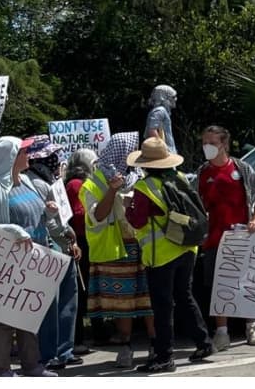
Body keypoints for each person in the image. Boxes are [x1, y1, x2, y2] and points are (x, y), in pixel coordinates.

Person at [126, 137, 214, 373]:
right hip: (187, 246)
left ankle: (164, 356)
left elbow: (138, 220)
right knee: (185, 296)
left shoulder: (144, 188)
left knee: (163, 305)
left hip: (161, 253)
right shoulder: (180, 177)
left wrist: (127, 209)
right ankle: (204, 342)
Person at [0, 136, 57, 377]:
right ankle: (1, 369)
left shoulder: (27, 182)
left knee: (28, 314)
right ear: (9, 158)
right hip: (6, 263)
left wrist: (49, 213)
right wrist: (13, 230)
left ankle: (31, 365)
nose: (27, 155)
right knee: (2, 319)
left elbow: (35, 217)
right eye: (22, 152)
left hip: (33, 260)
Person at [80, 132, 155, 369]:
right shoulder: (93, 183)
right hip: (116, 250)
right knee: (122, 303)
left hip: (143, 246)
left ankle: (155, 345)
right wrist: (112, 191)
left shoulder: (139, 175)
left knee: (149, 299)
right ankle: (125, 347)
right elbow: (97, 216)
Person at [196, 125, 255, 347]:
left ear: (224, 144)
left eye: (212, 143)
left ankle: (251, 326)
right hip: (213, 237)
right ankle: (222, 332)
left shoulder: (241, 168)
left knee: (245, 282)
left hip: (240, 235)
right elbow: (194, 202)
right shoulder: (202, 173)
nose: (207, 147)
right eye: (204, 143)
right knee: (219, 286)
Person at [23, 136, 83, 371]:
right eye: (51, 156)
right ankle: (54, 353)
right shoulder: (40, 184)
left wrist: (69, 236)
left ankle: (62, 351)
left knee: (64, 300)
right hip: (52, 247)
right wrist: (68, 236)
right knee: (56, 303)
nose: (56, 160)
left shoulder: (48, 181)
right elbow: (52, 222)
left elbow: (61, 216)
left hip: (59, 245)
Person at [63, 149, 100, 355]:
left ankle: (96, 332)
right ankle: (77, 339)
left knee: (89, 288)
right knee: (81, 288)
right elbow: (78, 214)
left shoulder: (84, 182)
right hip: (81, 241)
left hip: (87, 240)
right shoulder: (76, 184)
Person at [145, 85, 179, 154]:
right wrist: (164, 149)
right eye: (173, 97)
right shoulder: (160, 110)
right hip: (164, 154)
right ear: (163, 97)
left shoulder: (161, 111)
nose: (175, 99)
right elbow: (152, 130)